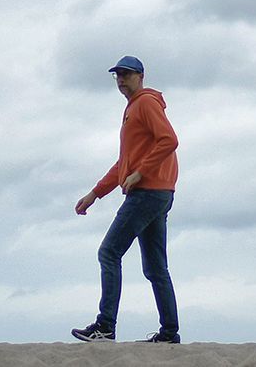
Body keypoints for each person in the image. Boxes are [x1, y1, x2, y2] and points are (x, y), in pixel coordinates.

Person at [72, 54, 180, 344]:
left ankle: (105, 326)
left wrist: (141, 173)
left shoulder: (145, 103)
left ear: (140, 76)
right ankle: (170, 333)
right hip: (159, 193)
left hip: (148, 193)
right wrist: (95, 194)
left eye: (127, 74)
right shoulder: (134, 109)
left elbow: (169, 139)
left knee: (108, 252)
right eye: (117, 75)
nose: (121, 79)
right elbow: (124, 164)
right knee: (156, 267)